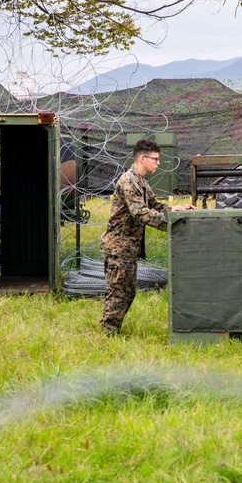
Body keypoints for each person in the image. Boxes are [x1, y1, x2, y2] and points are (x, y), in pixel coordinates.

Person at [100, 139, 194, 336]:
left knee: (127, 292)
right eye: (155, 159)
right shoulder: (129, 181)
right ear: (142, 158)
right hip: (118, 247)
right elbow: (140, 212)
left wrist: (175, 210)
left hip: (127, 247)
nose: (158, 163)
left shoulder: (140, 181)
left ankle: (110, 332)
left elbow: (154, 204)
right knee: (118, 293)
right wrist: (171, 222)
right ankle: (107, 334)